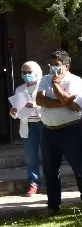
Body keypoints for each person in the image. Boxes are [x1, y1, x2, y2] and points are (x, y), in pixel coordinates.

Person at [36, 51, 82, 215]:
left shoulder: (75, 80)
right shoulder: (44, 79)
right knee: (50, 170)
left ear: (66, 66)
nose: (52, 67)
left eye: (56, 64)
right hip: (48, 131)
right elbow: (40, 100)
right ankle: (53, 206)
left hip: (70, 130)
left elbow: (70, 100)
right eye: (51, 64)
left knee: (80, 168)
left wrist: (55, 84)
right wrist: (63, 103)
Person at [10, 61, 43, 196]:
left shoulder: (44, 86)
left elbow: (52, 105)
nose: (26, 75)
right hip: (27, 123)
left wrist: (35, 105)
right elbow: (17, 109)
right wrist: (13, 112)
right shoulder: (20, 89)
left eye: (29, 72)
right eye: (24, 72)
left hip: (44, 122)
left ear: (37, 72)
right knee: (30, 156)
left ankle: (52, 181)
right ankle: (33, 182)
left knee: (49, 154)